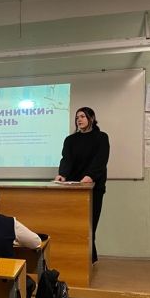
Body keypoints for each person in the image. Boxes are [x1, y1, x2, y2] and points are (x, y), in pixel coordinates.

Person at [54, 106, 110, 263]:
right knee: (73, 225)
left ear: (91, 118)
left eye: (83, 116)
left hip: (93, 188)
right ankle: (77, 259)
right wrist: (62, 174)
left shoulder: (101, 137)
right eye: (77, 117)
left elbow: (101, 160)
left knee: (89, 225)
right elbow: (66, 159)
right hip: (73, 188)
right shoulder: (70, 140)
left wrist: (90, 176)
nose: (79, 119)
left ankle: (88, 259)